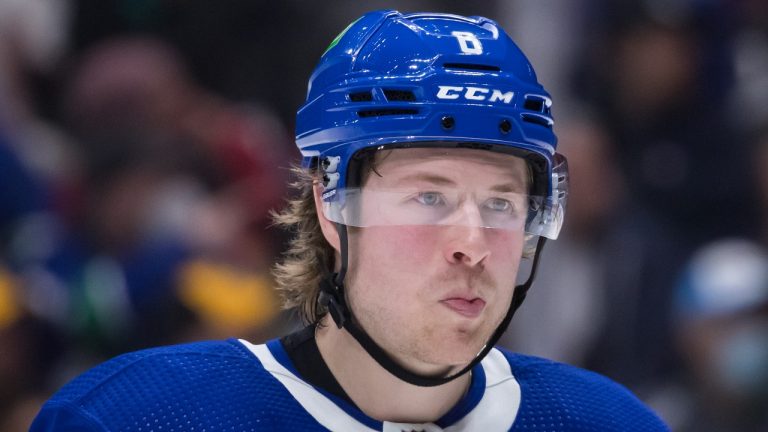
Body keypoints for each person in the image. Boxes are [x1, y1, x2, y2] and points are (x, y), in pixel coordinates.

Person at [30, 10, 669, 431]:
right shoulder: (133, 419)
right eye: (430, 197)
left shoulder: (608, 423)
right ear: (330, 203)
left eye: (501, 203)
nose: (474, 245)